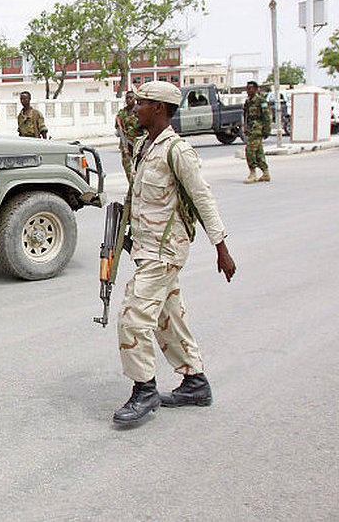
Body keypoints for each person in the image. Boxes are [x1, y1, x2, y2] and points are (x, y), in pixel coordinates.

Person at [112, 80, 236, 426]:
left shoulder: (177, 151)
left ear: (160, 109)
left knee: (133, 317)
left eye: (142, 103)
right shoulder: (143, 145)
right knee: (168, 317)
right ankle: (195, 382)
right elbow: (141, 197)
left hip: (164, 252)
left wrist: (221, 248)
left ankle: (144, 389)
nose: (135, 108)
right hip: (146, 246)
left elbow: (202, 198)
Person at [242, 80, 272, 183]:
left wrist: (267, 130)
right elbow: (245, 115)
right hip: (251, 129)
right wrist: (245, 127)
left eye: (250, 88)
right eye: (247, 88)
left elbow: (267, 117)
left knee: (249, 150)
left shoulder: (261, 101)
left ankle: (253, 173)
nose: (248, 90)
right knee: (258, 152)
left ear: (255, 89)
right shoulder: (248, 102)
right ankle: (265, 173)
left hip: (258, 129)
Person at [114, 90, 143, 183]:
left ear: (135, 99)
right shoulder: (121, 113)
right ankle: (132, 186)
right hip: (125, 146)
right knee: (128, 169)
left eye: (131, 98)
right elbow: (117, 128)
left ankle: (135, 188)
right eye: (127, 98)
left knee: (139, 168)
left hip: (137, 145)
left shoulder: (139, 112)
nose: (129, 100)